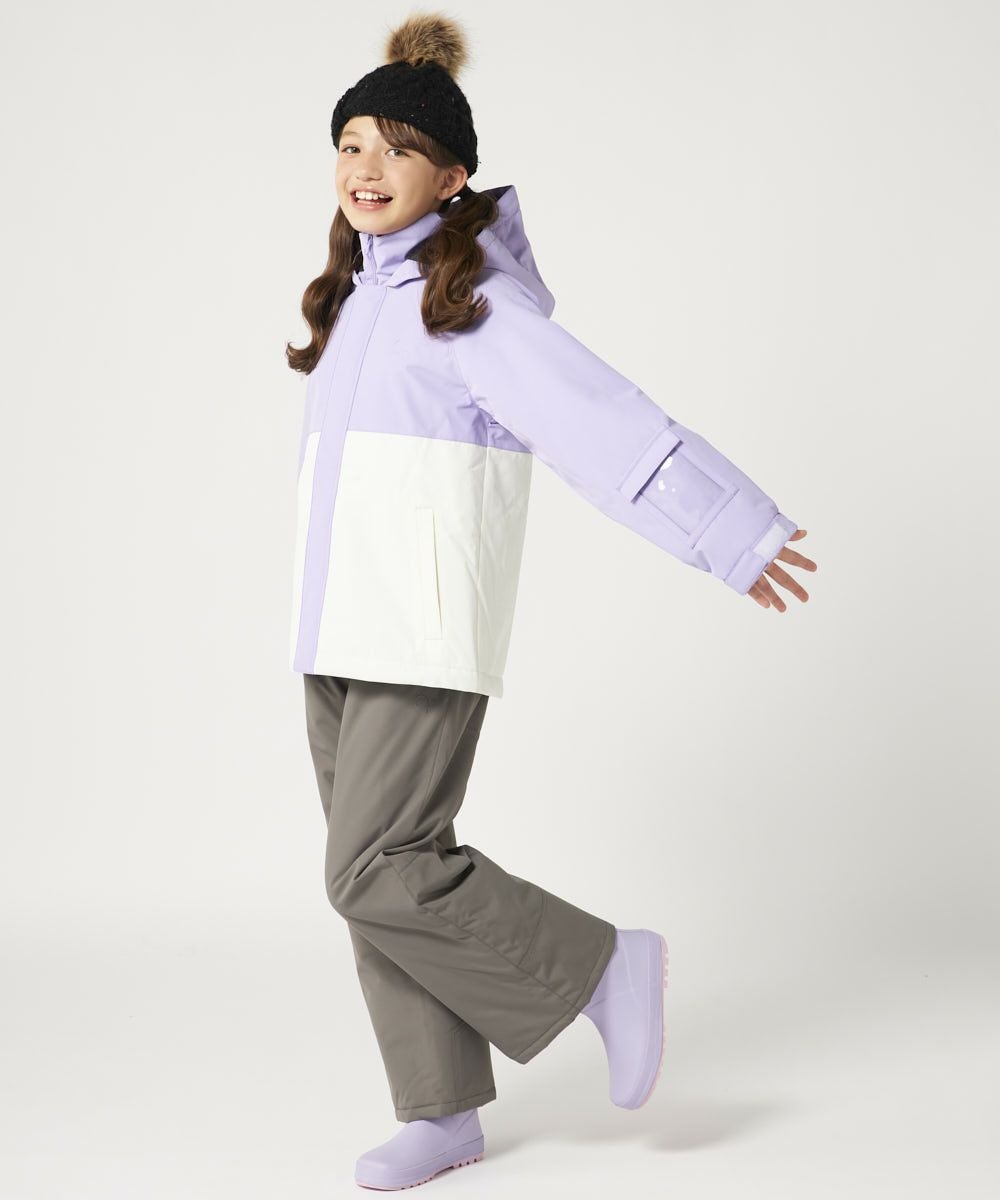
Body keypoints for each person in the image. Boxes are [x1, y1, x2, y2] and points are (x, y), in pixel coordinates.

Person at [285, 11, 816, 1192]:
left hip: (417, 630)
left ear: (451, 176)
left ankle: (601, 968)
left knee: (370, 866)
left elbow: (600, 423)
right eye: (350, 145)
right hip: (333, 628)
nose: (365, 168)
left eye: (396, 149)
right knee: (386, 881)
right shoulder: (357, 298)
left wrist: (729, 530)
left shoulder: (468, 303)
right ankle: (438, 1110)